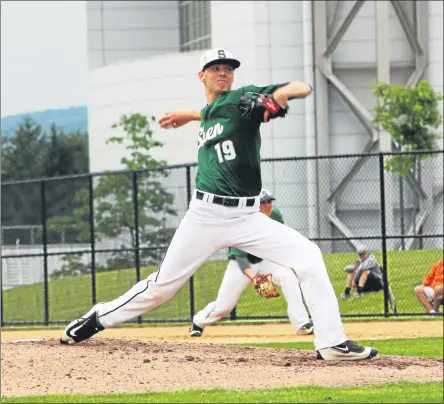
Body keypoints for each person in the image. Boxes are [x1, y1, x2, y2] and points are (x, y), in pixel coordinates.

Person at [60, 48, 377, 361]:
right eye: (215, 68)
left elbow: (298, 88)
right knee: (162, 288)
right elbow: (212, 112)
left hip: (247, 216)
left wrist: (277, 98)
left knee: (309, 255)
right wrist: (188, 114)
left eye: (228, 68)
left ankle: (332, 343)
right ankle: (96, 318)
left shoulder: (243, 100)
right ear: (202, 76)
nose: (223, 72)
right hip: (205, 216)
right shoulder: (213, 112)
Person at [190, 189, 314, 338]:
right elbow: (241, 259)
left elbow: (278, 241)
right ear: (255, 205)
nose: (268, 205)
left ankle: (301, 323)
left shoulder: (275, 215)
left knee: (288, 276)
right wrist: (255, 280)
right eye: (263, 202)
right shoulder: (243, 220)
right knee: (224, 306)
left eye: (270, 201)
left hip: (264, 260)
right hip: (241, 264)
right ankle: (198, 322)